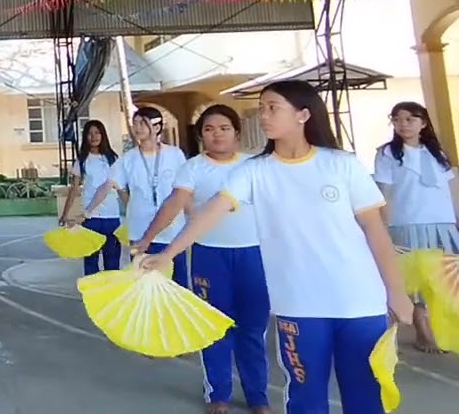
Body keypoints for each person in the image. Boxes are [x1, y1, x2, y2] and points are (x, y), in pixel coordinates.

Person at [141, 80, 413, 414]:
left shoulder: (341, 164)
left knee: (365, 395)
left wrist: (396, 292)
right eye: (263, 108)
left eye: (273, 108)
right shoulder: (255, 171)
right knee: (305, 395)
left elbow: (375, 230)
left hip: (359, 300)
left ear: (302, 115)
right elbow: (207, 214)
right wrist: (167, 253)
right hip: (298, 303)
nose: (264, 116)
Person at [132, 106, 270, 414]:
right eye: (209, 129)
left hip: (254, 255)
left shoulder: (255, 165)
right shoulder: (193, 168)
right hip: (209, 255)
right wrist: (147, 238)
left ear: (237, 132)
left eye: (224, 127)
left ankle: (258, 397)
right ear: (201, 135)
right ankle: (217, 394)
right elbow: (173, 204)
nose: (217, 134)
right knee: (212, 326)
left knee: (252, 328)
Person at [373, 101, 458, 354]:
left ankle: (444, 328)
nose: (403, 124)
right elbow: (384, 192)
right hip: (407, 223)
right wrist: (384, 226)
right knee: (417, 282)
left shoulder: (437, 153)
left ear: (423, 122)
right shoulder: (387, 154)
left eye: (409, 119)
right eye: (397, 119)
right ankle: (423, 331)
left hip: (442, 223)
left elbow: (449, 191)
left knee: (445, 278)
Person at [77, 106, 190, 286]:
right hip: (140, 232)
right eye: (135, 123)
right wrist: (87, 212)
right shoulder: (128, 159)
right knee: (144, 287)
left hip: (173, 231)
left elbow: (186, 191)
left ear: (157, 127)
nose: (137, 127)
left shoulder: (174, 154)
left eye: (142, 123)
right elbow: (107, 185)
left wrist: (193, 221)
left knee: (178, 285)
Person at [59, 120, 122, 275]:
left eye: (97, 132)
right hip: (90, 218)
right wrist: (65, 214)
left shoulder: (113, 159)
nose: (94, 136)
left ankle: (110, 297)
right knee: (91, 262)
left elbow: (121, 188)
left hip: (111, 217)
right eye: (90, 133)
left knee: (112, 263)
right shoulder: (82, 161)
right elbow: (74, 189)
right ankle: (92, 297)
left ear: (103, 135)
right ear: (85, 137)